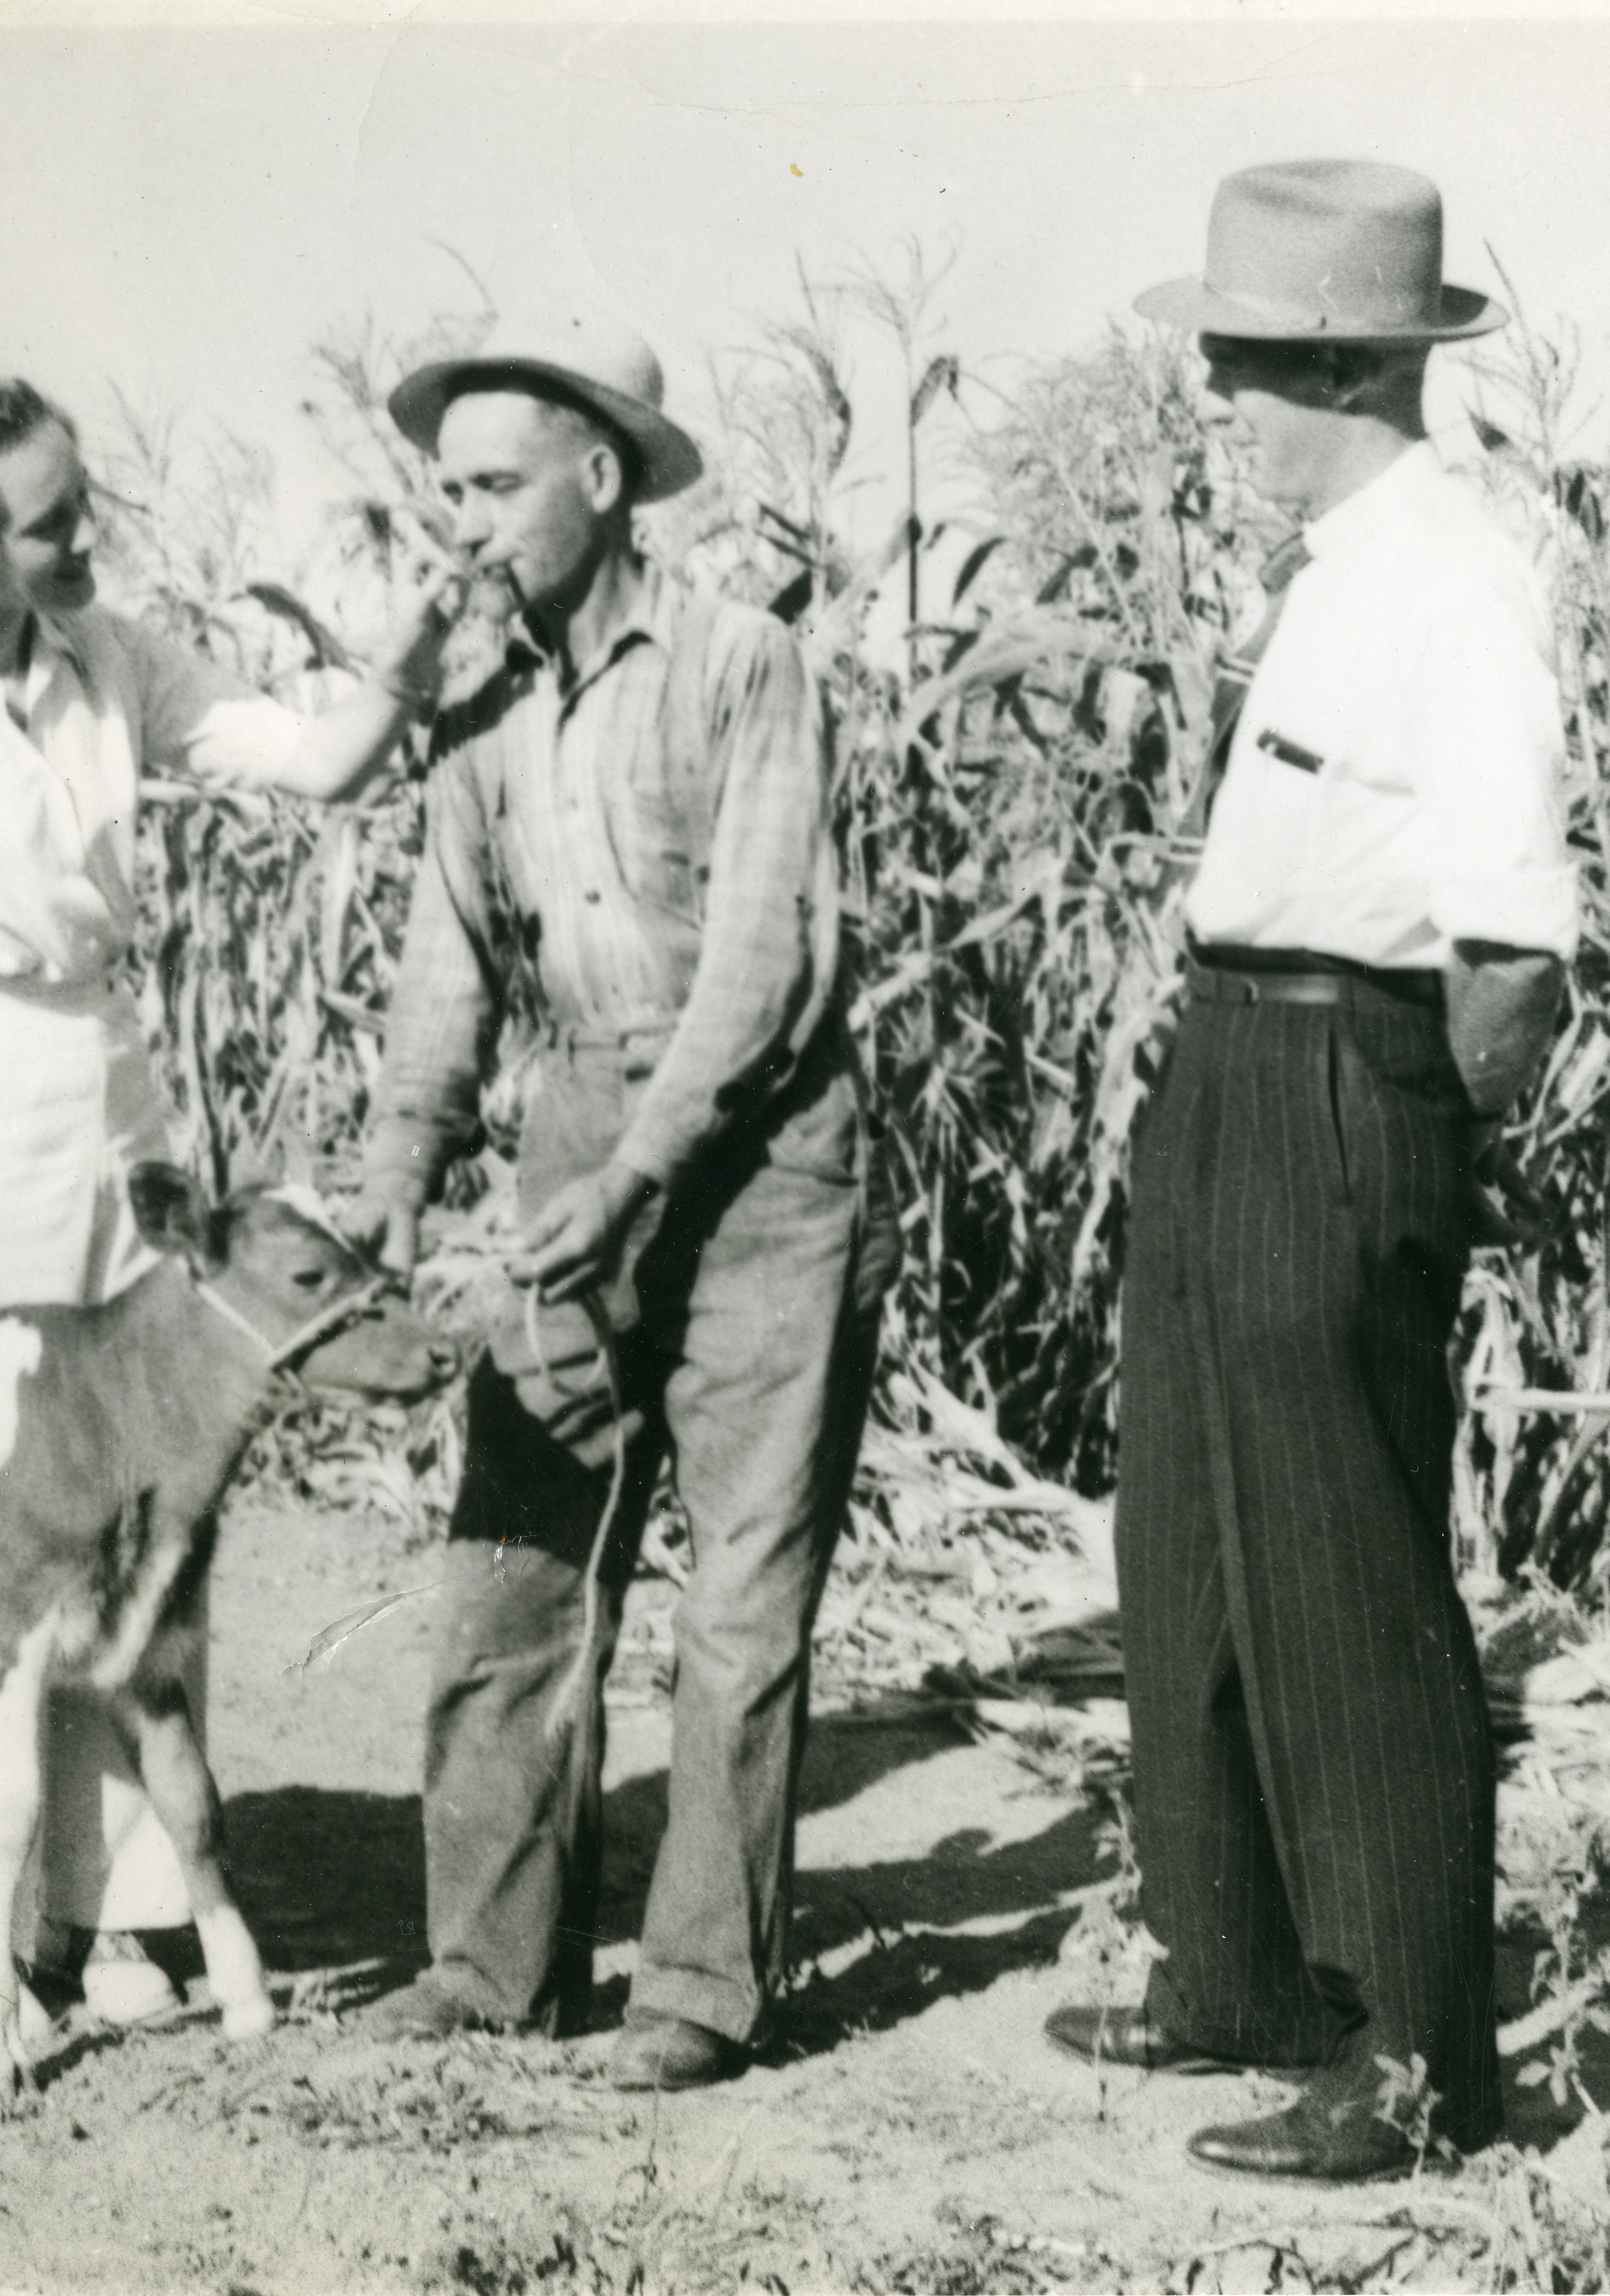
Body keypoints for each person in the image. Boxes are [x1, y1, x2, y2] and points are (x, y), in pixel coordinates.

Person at [0, 375, 456, 2040]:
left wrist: (401, 662)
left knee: (145, 1494)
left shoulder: (112, 661)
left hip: (110, 1095)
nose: (87, 534)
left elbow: (318, 759)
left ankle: (116, 1903)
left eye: (80, 501)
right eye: (52, 516)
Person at [1040, 163, 1577, 2181]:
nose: (1219, 410)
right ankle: (1234, 1971)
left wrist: (1405, 1146)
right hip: (1232, 1049)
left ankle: (1420, 2050)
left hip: (1346, 1067)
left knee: (1341, 1551)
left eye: (1245, 372)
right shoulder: (1344, 562)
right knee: (1188, 1522)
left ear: (1353, 362)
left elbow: (1512, 938)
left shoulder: (1453, 571)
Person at [343, 313, 893, 2092]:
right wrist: (390, 1186)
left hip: (755, 1154)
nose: (465, 523)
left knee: (740, 1586)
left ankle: (697, 1993)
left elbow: (762, 962)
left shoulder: (741, 665)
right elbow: (445, 978)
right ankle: (489, 1964)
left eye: (494, 486)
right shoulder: (477, 712)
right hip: (577, 1121)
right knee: (512, 1554)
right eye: (448, 491)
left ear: (601, 480)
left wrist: (636, 1171)